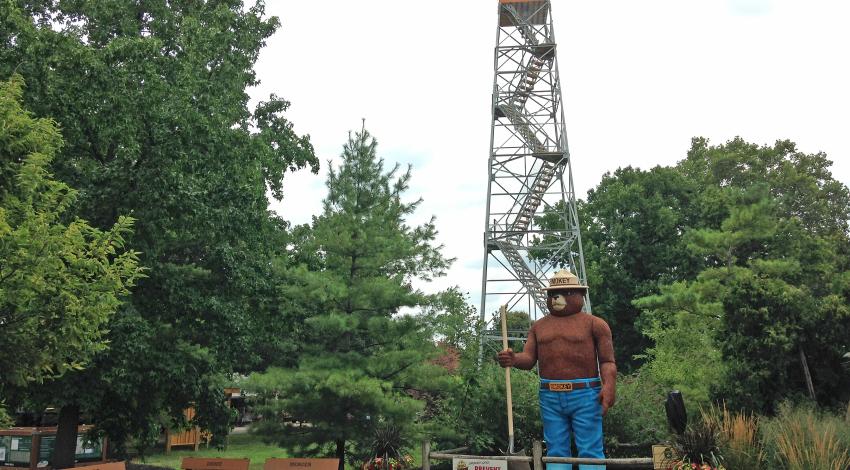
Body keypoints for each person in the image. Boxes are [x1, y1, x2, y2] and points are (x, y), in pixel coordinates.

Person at [497, 270, 616, 470]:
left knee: (590, 449)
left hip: (586, 394)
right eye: (553, 294)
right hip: (550, 394)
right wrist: (514, 358)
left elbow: (607, 361)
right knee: (556, 450)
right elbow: (529, 359)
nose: (557, 298)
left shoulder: (595, 324)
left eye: (566, 292)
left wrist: (609, 385)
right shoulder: (539, 327)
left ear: (581, 295)